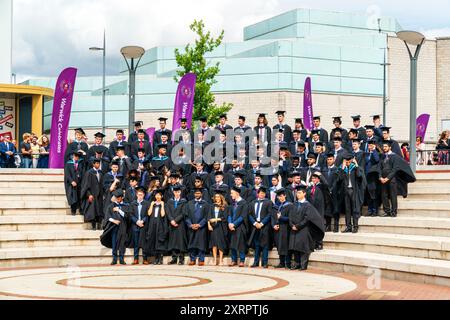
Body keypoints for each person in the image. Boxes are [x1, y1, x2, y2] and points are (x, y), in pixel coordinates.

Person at [289, 185, 325, 270]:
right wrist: (291, 225)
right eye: (297, 192)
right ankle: (296, 264)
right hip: (294, 229)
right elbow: (290, 216)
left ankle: (303, 265)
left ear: (304, 194)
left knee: (303, 248)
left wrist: (297, 226)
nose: (297, 194)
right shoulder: (294, 204)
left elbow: (307, 218)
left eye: (299, 192)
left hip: (303, 229)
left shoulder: (308, 205)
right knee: (295, 247)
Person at [379, 140, 416, 217]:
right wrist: (380, 177)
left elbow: (395, 169)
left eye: (386, 146)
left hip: (392, 179)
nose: (384, 148)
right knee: (384, 195)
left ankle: (393, 212)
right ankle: (387, 211)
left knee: (393, 196)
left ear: (390, 147)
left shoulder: (394, 156)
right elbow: (379, 168)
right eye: (383, 146)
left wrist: (388, 178)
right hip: (383, 179)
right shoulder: (382, 156)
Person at [100, 189, 131, 265]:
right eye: (115, 197)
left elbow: (127, 216)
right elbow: (107, 216)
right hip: (113, 226)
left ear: (121, 198)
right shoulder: (111, 206)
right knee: (114, 242)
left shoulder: (126, 205)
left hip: (123, 226)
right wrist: (113, 220)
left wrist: (119, 210)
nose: (116, 198)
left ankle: (121, 258)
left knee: (122, 243)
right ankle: (114, 258)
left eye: (118, 197)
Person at [338, 154, 367, 233]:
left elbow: (359, 176)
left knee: (355, 209)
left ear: (351, 161)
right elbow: (339, 178)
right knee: (347, 210)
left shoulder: (355, 168)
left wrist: (356, 165)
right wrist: (343, 167)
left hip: (354, 191)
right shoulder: (343, 169)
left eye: (348, 161)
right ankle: (348, 226)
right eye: (346, 161)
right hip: (346, 191)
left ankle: (355, 226)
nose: (347, 162)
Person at [248, 187, 273, 268]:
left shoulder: (268, 202)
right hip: (255, 226)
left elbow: (269, 214)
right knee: (256, 245)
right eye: (260, 193)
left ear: (265, 194)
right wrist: (255, 223)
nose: (261, 194)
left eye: (263, 193)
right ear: (257, 194)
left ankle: (265, 262)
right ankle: (256, 262)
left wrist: (262, 223)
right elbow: (249, 215)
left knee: (265, 245)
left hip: (264, 226)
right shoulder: (252, 203)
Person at [185, 188, 210, 266]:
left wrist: (200, 224)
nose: (197, 195)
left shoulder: (205, 204)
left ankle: (201, 259)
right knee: (192, 243)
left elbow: (207, 216)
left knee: (201, 244)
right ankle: (192, 259)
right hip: (191, 227)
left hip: (201, 227)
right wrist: (190, 224)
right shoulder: (189, 203)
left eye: (199, 193)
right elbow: (186, 216)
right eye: (196, 193)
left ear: (201, 194)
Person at [272, 188, 294, 269]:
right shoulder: (278, 206)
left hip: (286, 229)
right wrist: (276, 224)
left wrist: (281, 218)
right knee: (280, 245)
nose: (281, 198)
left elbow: (290, 218)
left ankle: (287, 263)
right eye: (279, 196)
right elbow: (275, 217)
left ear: (285, 196)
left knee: (286, 246)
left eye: (282, 196)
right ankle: (281, 262)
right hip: (279, 229)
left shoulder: (289, 205)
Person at [144, 190, 169, 265]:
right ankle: (156, 258)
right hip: (152, 224)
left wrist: (162, 205)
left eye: (159, 195)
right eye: (156, 195)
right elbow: (149, 214)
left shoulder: (163, 204)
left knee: (159, 240)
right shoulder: (152, 204)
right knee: (153, 240)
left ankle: (160, 258)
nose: (158, 196)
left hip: (160, 224)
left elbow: (162, 215)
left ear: (161, 197)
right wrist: (151, 205)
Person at [166, 185, 188, 265]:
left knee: (180, 241)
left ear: (180, 192)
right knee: (173, 241)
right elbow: (168, 212)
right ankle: (174, 258)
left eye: (178, 192)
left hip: (180, 224)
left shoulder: (184, 201)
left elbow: (184, 213)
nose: (177, 193)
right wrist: (171, 220)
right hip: (171, 223)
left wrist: (175, 220)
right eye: (175, 192)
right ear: (173, 192)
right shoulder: (169, 201)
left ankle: (181, 258)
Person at [80, 158, 104, 230]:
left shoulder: (101, 172)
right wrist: (89, 195)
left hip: (99, 195)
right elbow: (85, 185)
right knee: (93, 211)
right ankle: (93, 226)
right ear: (93, 164)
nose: (97, 165)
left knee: (99, 211)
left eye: (98, 163)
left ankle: (99, 225)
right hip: (92, 195)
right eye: (96, 163)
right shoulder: (89, 172)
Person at [228, 186, 249, 267]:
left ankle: (242, 260)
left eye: (232, 193)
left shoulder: (244, 203)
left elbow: (243, 216)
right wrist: (230, 223)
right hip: (231, 226)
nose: (231, 195)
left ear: (237, 193)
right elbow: (229, 214)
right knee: (232, 244)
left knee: (241, 244)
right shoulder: (232, 203)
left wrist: (234, 224)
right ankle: (234, 260)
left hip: (240, 226)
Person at [208, 191, 229, 266]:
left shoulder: (224, 206)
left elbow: (225, 217)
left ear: (221, 197)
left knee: (220, 243)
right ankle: (214, 260)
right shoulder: (212, 206)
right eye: (215, 197)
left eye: (218, 197)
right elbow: (209, 216)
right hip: (213, 227)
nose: (217, 198)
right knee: (214, 244)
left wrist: (216, 219)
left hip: (221, 226)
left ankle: (220, 260)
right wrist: (209, 225)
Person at [130, 187, 150, 265]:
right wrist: (137, 221)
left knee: (144, 243)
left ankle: (145, 259)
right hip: (135, 225)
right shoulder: (133, 203)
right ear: (136, 195)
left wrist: (142, 221)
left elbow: (147, 215)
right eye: (139, 195)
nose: (140, 196)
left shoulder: (147, 203)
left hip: (143, 225)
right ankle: (136, 259)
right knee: (136, 243)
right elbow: (131, 215)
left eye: (141, 195)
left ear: (144, 195)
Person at [64, 151, 85, 215]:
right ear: (73, 156)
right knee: (73, 197)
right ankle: (73, 211)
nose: (77, 158)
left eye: (78, 157)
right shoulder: (68, 163)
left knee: (80, 197)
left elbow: (83, 172)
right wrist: (71, 181)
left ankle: (81, 210)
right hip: (71, 184)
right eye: (76, 156)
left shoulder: (80, 163)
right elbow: (67, 174)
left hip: (79, 183)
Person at [365, 140, 381, 217]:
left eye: (371, 145)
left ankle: (375, 210)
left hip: (373, 177)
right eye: (369, 145)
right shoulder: (366, 154)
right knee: (368, 194)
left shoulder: (377, 153)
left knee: (373, 194)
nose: (370, 146)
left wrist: (374, 150)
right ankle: (369, 209)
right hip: (366, 176)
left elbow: (377, 160)